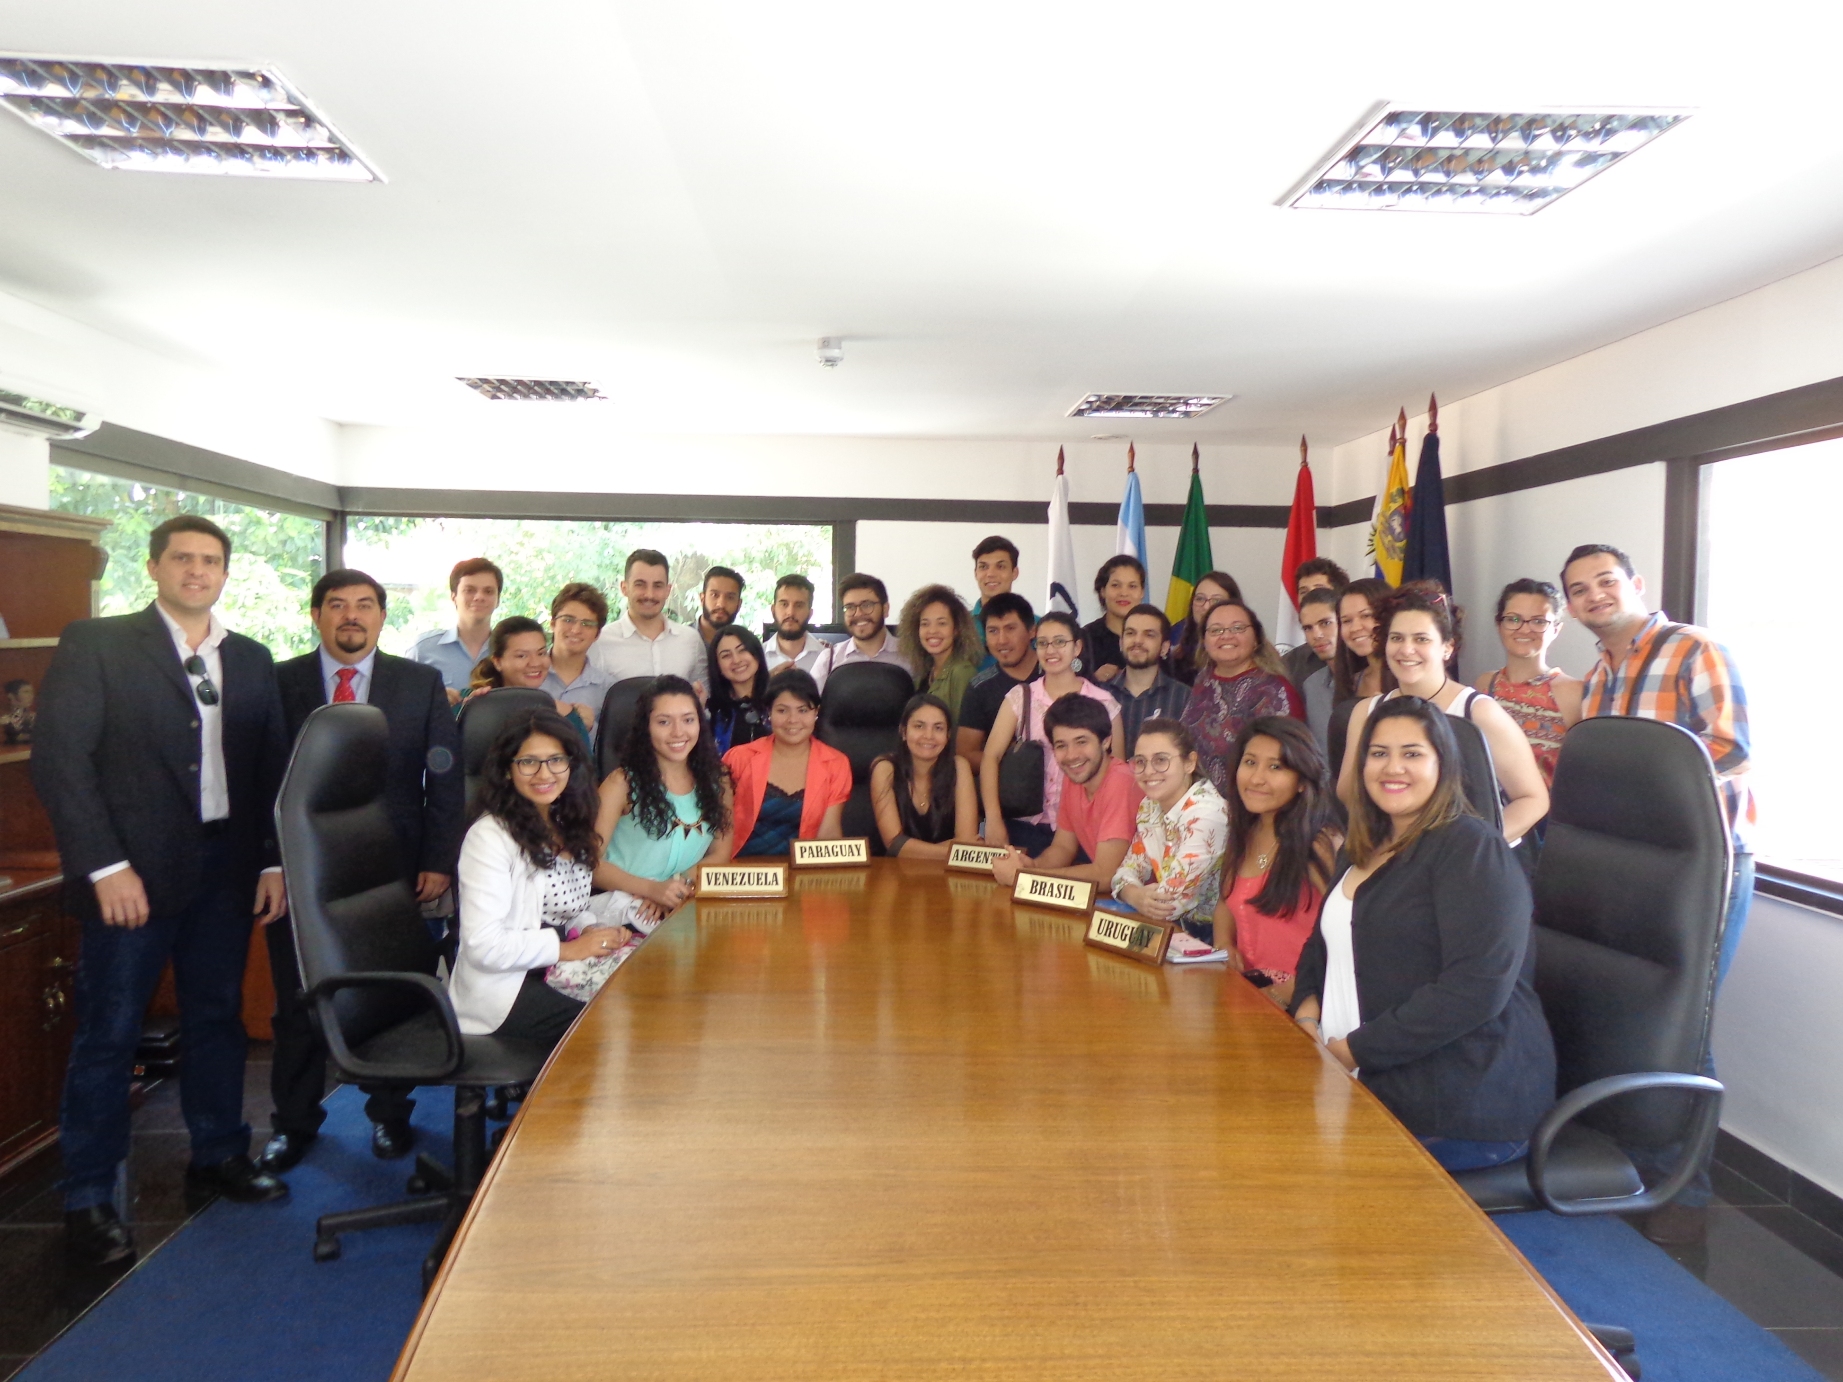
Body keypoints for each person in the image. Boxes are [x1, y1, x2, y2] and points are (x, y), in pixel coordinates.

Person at [33, 515, 291, 1268]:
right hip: (131, 878)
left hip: (225, 872)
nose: (196, 571)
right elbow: (61, 761)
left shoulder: (250, 657)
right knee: (109, 1033)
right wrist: (103, 866)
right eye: (182, 558)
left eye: (210, 560)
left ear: (225, 573)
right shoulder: (99, 644)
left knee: (216, 1020)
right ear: (154, 567)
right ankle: (89, 1198)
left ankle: (218, 1154)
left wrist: (271, 861)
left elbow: (268, 768)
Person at [1564, 542, 1756, 1246]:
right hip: (1630, 868)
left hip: (1703, 868)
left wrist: (1638, 791)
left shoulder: (1693, 649)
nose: (1594, 595)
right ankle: (1636, 1172)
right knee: (1634, 1016)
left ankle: (1685, 1196)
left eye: (1606, 581)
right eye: (1579, 589)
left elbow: (1732, 750)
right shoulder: (1597, 678)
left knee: (1683, 1025)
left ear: (1636, 583)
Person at [1291, 698, 1556, 1174]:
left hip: (1458, 1098)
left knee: (1303, 1174)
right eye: (1378, 753)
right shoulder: (1361, 845)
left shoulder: (1471, 847)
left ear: (1443, 764)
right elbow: (1322, 946)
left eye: (1412, 753)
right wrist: (1307, 1012)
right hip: (1354, 1076)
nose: (1393, 767)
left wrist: (1352, 1052)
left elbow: (1475, 988)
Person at [261, 569, 465, 1173]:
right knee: (298, 998)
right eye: (337, 604)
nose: (351, 615)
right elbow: (259, 779)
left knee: (390, 993)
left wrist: (437, 859)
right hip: (300, 869)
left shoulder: (418, 682)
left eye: (365, 605)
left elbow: (445, 776)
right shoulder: (279, 682)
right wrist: (269, 862)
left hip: (392, 868)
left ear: (381, 616)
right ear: (316, 615)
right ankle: (294, 1124)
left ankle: (390, 1114)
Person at [449, 711, 616, 1047]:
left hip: (556, 969)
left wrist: (590, 930)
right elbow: (483, 945)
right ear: (507, 770)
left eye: (556, 760)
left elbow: (564, 908)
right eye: (528, 762)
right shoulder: (489, 837)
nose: (544, 773)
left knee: (643, 994)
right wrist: (567, 949)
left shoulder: (565, 823)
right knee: (612, 1023)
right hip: (507, 987)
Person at [1337, 585, 1549, 845]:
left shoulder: (1478, 711)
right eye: (1397, 638)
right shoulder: (1365, 712)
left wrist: (1475, 848)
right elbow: (1348, 792)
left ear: (1447, 647)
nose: (1406, 649)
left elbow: (1533, 799)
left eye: (1421, 639)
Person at [587, 676, 732, 967]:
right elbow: (589, 863)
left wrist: (674, 888)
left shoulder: (719, 780)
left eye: (688, 720)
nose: (678, 732)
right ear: (646, 727)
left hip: (682, 907)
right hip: (620, 916)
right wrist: (650, 890)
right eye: (664, 722)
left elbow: (720, 853)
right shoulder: (621, 783)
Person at [1210, 717, 1339, 1004]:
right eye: (1250, 762)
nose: (1256, 778)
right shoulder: (1246, 831)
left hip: (1306, 1005)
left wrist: (1285, 994)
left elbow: (1348, 934)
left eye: (1275, 767)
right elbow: (1227, 902)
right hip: (1250, 997)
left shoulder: (1318, 844)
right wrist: (1224, 943)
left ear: (1302, 781)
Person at [979, 611, 1122, 854]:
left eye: (1059, 642)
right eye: (1043, 643)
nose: (1050, 650)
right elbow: (991, 756)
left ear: (1077, 647)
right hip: (1024, 824)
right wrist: (993, 818)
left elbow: (1117, 770)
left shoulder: (1104, 702)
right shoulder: (1021, 696)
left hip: (1084, 826)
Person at [991, 694, 1141, 891]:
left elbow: (1107, 874)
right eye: (1061, 745)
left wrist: (1026, 878)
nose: (1071, 755)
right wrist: (1032, 865)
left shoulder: (1120, 781)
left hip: (1152, 898)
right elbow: (1063, 848)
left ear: (1106, 742)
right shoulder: (1074, 778)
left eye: (1081, 742)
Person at [1110, 718, 1229, 942]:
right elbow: (1124, 873)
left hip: (1216, 936)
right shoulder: (1150, 806)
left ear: (1189, 763)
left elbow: (1169, 905)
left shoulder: (1206, 815)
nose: (1148, 771)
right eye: (1140, 762)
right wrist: (1136, 896)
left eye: (1161, 760)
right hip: (1179, 928)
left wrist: (1135, 894)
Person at [724, 669, 853, 855]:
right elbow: (719, 829)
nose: (793, 720)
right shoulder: (738, 758)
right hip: (744, 867)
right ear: (769, 712)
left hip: (804, 869)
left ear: (816, 712)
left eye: (803, 710)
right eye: (782, 710)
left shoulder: (836, 764)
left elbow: (828, 833)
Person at [1181, 600, 1303, 798]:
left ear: (1256, 638)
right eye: (1216, 630)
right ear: (1204, 641)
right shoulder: (1203, 679)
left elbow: (1287, 766)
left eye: (1237, 628)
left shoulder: (1275, 690)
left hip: (1253, 803)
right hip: (1198, 805)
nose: (1226, 636)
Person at [1474, 578, 1583, 788]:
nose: (1524, 629)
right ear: (1499, 625)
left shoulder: (1572, 693)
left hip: (1546, 808)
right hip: (1483, 806)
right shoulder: (1485, 684)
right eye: (1513, 619)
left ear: (1556, 629)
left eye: (1538, 621)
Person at [869, 693, 978, 858]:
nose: (928, 735)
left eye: (938, 728)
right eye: (919, 726)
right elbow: (894, 844)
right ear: (903, 732)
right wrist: (952, 852)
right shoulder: (885, 769)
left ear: (948, 735)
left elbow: (967, 841)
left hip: (946, 871)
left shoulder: (959, 767)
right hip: (893, 870)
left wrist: (914, 850)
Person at [591, 549, 705, 685]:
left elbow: (702, 694)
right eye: (640, 585)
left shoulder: (691, 640)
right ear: (624, 588)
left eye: (657, 586)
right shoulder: (601, 642)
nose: (649, 594)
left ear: (668, 590)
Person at [956, 593, 1040, 774]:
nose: (1002, 640)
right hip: (1007, 786)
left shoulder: (1054, 672)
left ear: (1032, 631)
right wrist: (1013, 761)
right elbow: (965, 754)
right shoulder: (979, 687)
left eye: (1010, 628)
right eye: (993, 631)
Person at [412, 558, 503, 706]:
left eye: (488, 591)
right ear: (453, 597)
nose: (479, 597)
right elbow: (402, 700)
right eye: (470, 590)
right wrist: (434, 698)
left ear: (498, 599)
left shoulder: (509, 650)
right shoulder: (423, 649)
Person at [1327, 576, 1394, 774]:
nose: (1356, 628)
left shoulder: (1412, 679)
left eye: (1366, 616)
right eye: (1346, 621)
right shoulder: (1353, 681)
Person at [1103, 603, 1190, 753]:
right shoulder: (1100, 695)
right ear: (1121, 643)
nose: (1138, 640)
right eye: (1130, 633)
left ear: (1164, 648)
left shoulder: (1183, 697)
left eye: (1149, 635)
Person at [896, 584, 980, 726]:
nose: (932, 631)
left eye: (942, 623)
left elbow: (962, 731)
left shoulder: (962, 673)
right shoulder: (923, 672)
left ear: (956, 629)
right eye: (925, 624)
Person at [814, 573, 910, 689]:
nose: (858, 613)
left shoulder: (910, 657)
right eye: (850, 607)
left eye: (867, 605)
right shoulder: (829, 660)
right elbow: (808, 699)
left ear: (885, 609)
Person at [542, 582, 614, 733]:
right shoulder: (528, 675)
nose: (576, 630)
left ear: (597, 634)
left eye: (587, 624)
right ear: (553, 623)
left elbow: (612, 742)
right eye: (568, 620)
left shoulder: (608, 689)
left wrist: (590, 728)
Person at [1281, 558, 1350, 689]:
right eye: (1303, 592)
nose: (1311, 596)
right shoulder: (1291, 662)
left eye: (1319, 589)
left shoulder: (1363, 655)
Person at [1165, 570, 1243, 685]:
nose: (1206, 606)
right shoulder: (1177, 659)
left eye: (1216, 600)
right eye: (1200, 599)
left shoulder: (1244, 654)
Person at [1082, 555, 1146, 684]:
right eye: (1116, 585)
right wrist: (1093, 680)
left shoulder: (1153, 636)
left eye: (1132, 586)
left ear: (1142, 592)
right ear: (1103, 591)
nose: (1124, 593)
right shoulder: (1085, 638)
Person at [706, 627, 771, 755]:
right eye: (726, 655)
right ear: (717, 665)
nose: (736, 660)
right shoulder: (712, 713)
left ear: (756, 653)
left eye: (742, 650)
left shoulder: (778, 701)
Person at [1295, 586, 1342, 758]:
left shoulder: (1370, 680)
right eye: (1308, 628)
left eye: (1325, 623)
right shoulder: (1311, 685)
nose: (1317, 635)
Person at [969, 535, 1020, 669]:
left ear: (1014, 573)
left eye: (1000, 566)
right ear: (975, 573)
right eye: (983, 567)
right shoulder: (960, 624)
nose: (990, 574)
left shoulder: (1034, 625)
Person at [763, 574, 826, 676]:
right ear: (773, 610)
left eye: (799, 605)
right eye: (784, 604)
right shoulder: (756, 659)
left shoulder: (827, 657)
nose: (790, 613)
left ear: (810, 613)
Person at [697, 566, 744, 645]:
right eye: (714, 595)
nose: (721, 604)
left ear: (739, 604)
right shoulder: (681, 640)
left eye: (730, 597)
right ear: (702, 599)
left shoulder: (745, 645)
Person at [2, 676, 33, 743]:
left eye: (31, 692)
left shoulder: (34, 717)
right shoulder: (4, 718)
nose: (31, 696)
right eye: (26, 692)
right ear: (11, 696)